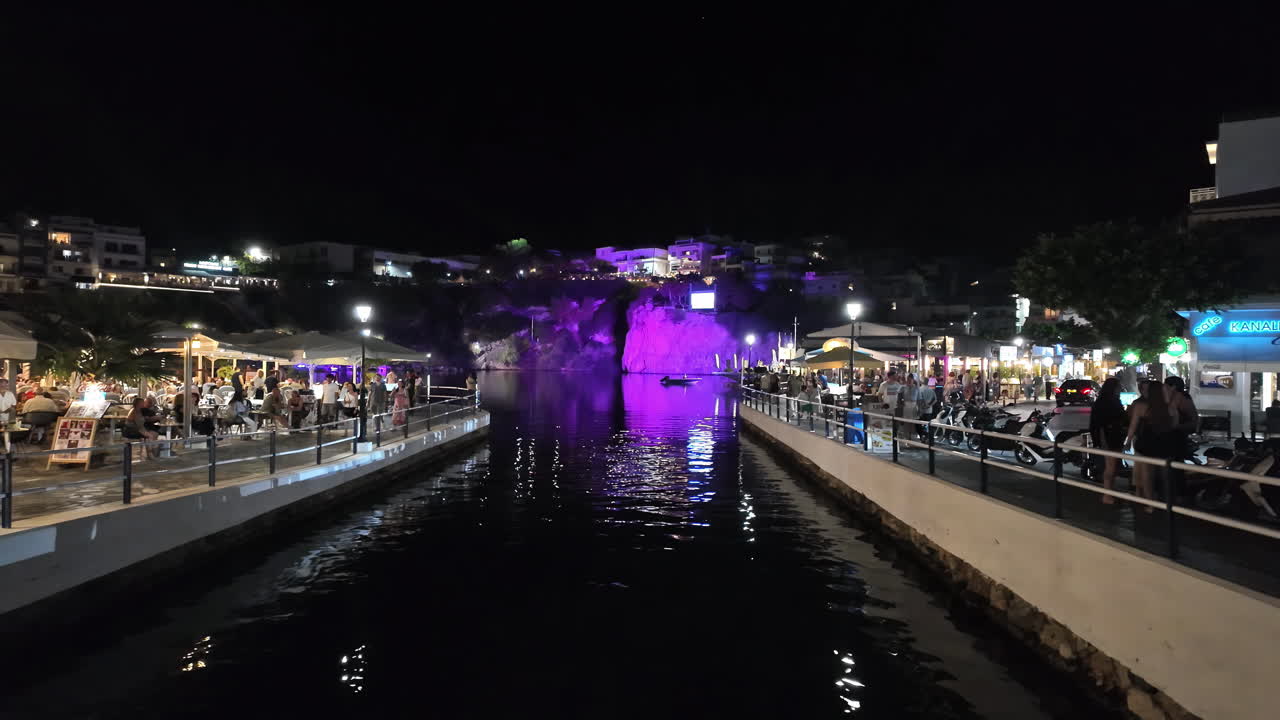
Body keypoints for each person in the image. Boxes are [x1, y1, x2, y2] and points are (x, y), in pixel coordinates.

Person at [1125, 380, 1177, 510]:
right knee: (1165, 475)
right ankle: (1166, 502)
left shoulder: (1141, 407)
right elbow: (1175, 425)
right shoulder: (1170, 408)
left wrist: (1127, 442)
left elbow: (1133, 426)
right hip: (1165, 443)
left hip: (1146, 443)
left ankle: (1150, 504)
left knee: (1148, 476)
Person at [1089, 378, 1127, 504]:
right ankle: (1107, 494)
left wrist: (1096, 440)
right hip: (1111, 436)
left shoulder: (1101, 401)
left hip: (1107, 435)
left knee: (1111, 464)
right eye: (1119, 387)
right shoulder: (1111, 402)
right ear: (1114, 388)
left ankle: (1109, 492)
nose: (1121, 389)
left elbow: (1093, 423)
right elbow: (1119, 418)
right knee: (1111, 465)